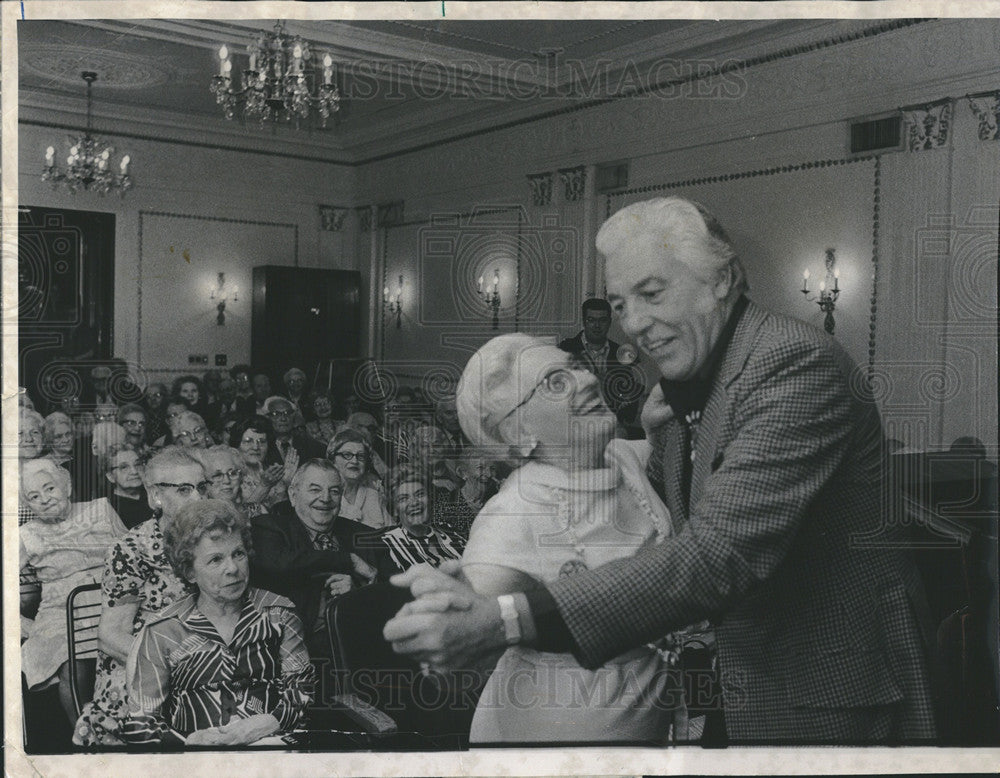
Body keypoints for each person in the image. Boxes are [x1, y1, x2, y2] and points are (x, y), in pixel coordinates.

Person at [384, 196, 938, 743]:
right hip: (721, 689)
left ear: (722, 280)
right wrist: (473, 594)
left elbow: (719, 555)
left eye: (652, 293)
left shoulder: (792, 364)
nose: (634, 326)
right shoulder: (687, 386)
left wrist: (504, 618)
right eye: (621, 304)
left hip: (824, 681)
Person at [122, 500, 314, 745]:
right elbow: (141, 724)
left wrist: (270, 722)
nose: (233, 568)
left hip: (272, 751)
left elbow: (302, 690)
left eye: (238, 554)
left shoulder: (279, 613)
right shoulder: (163, 631)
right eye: (215, 560)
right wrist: (189, 742)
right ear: (189, 571)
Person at [73, 447, 205, 746]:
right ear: (156, 496)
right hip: (139, 676)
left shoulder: (210, 541)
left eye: (201, 487)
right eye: (184, 490)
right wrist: (176, 668)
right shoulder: (131, 549)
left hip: (203, 666)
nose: (198, 498)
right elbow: (110, 635)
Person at [19, 458, 128, 722]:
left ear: (66, 487)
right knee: (72, 665)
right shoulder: (26, 533)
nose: (44, 499)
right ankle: (85, 737)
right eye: (34, 496)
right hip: (60, 613)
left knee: (131, 655)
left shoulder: (100, 509)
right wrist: (21, 623)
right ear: (28, 505)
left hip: (113, 603)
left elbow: (131, 554)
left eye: (50, 488)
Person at [250, 460, 378, 655]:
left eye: (334, 491)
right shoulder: (270, 527)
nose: (325, 498)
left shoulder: (363, 535)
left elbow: (387, 585)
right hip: (300, 651)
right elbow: (278, 563)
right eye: (315, 490)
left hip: (363, 643)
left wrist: (357, 593)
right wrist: (347, 560)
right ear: (293, 495)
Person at [558, 297, 646, 434]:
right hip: (572, 426)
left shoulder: (621, 353)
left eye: (602, 320)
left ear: (609, 322)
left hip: (611, 428)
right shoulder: (566, 349)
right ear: (584, 321)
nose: (597, 326)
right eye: (591, 320)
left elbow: (629, 397)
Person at [368, 464, 466, 578]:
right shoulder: (386, 545)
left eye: (420, 494)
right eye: (403, 498)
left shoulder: (451, 531)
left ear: (430, 498)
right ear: (394, 508)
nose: (414, 503)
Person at [325, 429, 392, 529]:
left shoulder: (377, 491)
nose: (354, 461)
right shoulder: (324, 494)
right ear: (332, 459)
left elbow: (391, 531)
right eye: (347, 455)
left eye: (361, 456)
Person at [432, 447, 498, 539]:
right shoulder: (446, 503)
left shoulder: (497, 502)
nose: (489, 474)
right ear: (463, 473)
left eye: (492, 468)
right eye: (480, 468)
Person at [230, 416, 288, 510]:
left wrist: (288, 482)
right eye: (248, 441)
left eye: (262, 442)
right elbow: (240, 518)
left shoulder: (273, 473)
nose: (256, 447)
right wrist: (264, 486)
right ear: (237, 444)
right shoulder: (231, 476)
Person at [196, 445, 264, 519]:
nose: (227, 481)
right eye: (217, 475)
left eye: (233, 473)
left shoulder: (253, 507)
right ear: (203, 481)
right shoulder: (201, 516)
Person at [104, 444, 154, 530]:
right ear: (110, 476)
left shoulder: (154, 494)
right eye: (124, 467)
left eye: (137, 464)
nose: (134, 471)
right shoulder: (108, 509)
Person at [264, 395, 325, 464]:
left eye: (287, 413)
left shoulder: (311, 446)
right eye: (276, 414)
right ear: (267, 418)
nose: (283, 418)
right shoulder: (262, 446)